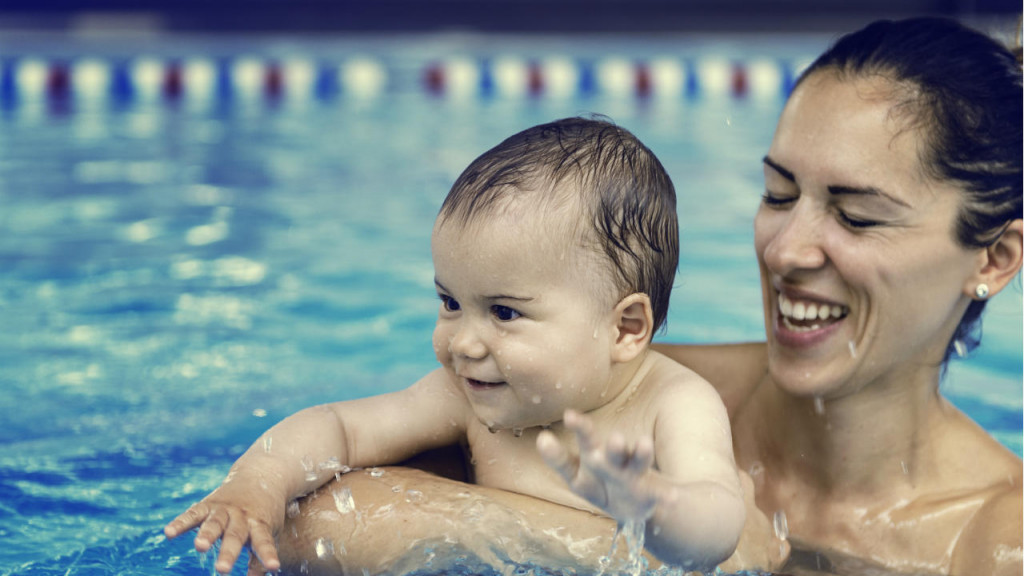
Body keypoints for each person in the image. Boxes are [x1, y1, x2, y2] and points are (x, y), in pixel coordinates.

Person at [267, 16, 1024, 576]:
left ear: (994, 257)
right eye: (777, 194)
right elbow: (321, 527)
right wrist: (647, 555)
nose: (787, 249)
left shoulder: (992, 544)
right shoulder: (609, 393)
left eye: (857, 216)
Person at [163, 117, 748, 574]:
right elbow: (339, 428)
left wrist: (651, 501)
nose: (461, 342)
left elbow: (720, 523)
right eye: (449, 302)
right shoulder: (467, 395)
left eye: (503, 312)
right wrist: (256, 484)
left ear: (624, 329)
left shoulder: (673, 404)